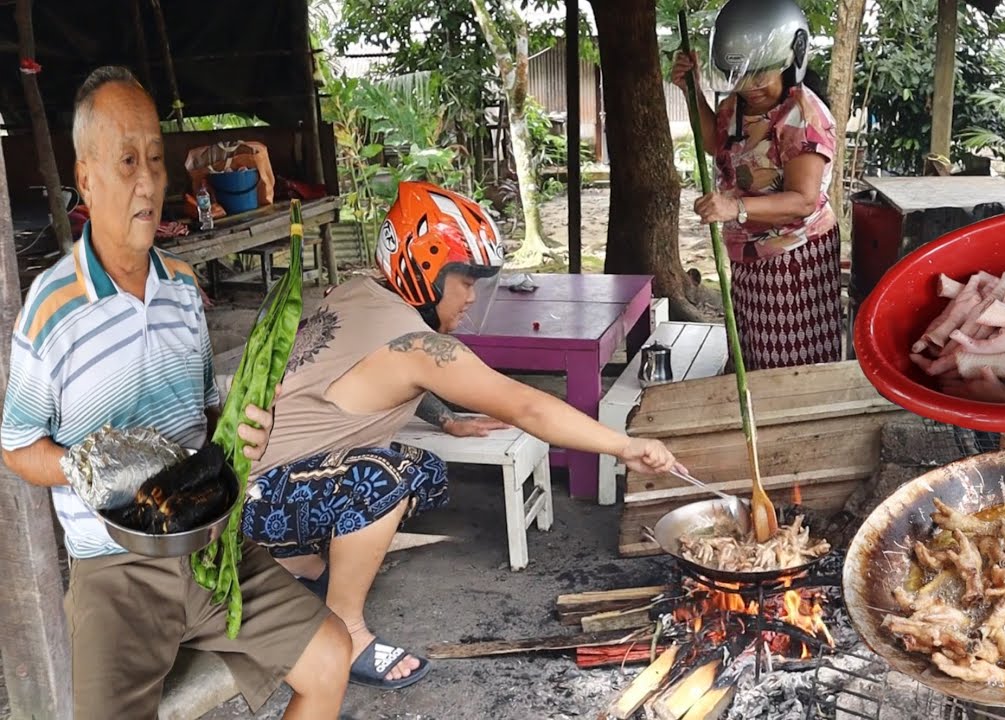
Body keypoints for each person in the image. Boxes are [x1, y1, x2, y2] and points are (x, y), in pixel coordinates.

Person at [0, 67, 351, 719]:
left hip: (208, 544)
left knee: (331, 656)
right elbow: (17, 449)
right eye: (126, 159)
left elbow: (205, 421)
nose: (146, 180)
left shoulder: (184, 289)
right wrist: (87, 468)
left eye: (156, 159)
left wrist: (243, 437)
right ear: (87, 177)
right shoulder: (51, 310)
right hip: (115, 572)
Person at [241, 180, 682, 690]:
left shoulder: (357, 290)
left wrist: (446, 419)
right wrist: (625, 446)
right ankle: (346, 631)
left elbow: (375, 375)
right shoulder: (419, 345)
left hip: (257, 477)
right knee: (382, 480)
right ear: (425, 271)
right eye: (465, 280)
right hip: (254, 503)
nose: (473, 297)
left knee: (420, 468)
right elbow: (525, 406)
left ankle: (296, 560)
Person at [671, 0, 843, 371]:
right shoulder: (737, 104)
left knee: (787, 366)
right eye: (741, 76)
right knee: (753, 355)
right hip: (749, 253)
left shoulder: (803, 115)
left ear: (791, 60)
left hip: (794, 256)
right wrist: (692, 89)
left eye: (759, 76)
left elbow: (803, 200)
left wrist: (736, 208)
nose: (749, 87)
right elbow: (717, 144)